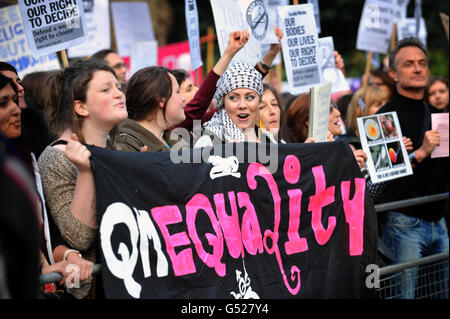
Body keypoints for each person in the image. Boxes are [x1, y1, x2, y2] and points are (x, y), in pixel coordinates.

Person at [38, 59, 128, 299]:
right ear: (81, 107)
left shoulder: (117, 148)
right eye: (106, 89)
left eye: (118, 86)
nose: (119, 94)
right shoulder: (56, 158)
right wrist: (86, 172)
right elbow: (78, 236)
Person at [376, 37, 448, 299]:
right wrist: (420, 153)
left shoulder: (438, 113)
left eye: (422, 63)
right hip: (404, 224)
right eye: (409, 64)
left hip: (438, 221)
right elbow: (381, 174)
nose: (417, 69)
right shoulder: (383, 118)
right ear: (393, 73)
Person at [170, 28, 283, 135]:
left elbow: (243, 86)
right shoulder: (175, 129)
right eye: (189, 88)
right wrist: (229, 53)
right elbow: (201, 101)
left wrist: (272, 53)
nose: (198, 89)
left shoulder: (206, 122)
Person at [194, 61, 276, 147]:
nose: (242, 105)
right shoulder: (209, 142)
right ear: (223, 103)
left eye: (250, 97)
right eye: (233, 98)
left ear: (259, 102)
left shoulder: (268, 139)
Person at [285, 93, 367, 169]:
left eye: (335, 108)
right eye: (330, 110)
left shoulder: (344, 150)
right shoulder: (296, 161)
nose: (338, 113)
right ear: (309, 120)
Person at [117, 66, 187, 152]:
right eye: (177, 92)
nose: (183, 98)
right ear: (161, 99)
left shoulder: (174, 140)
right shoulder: (127, 145)